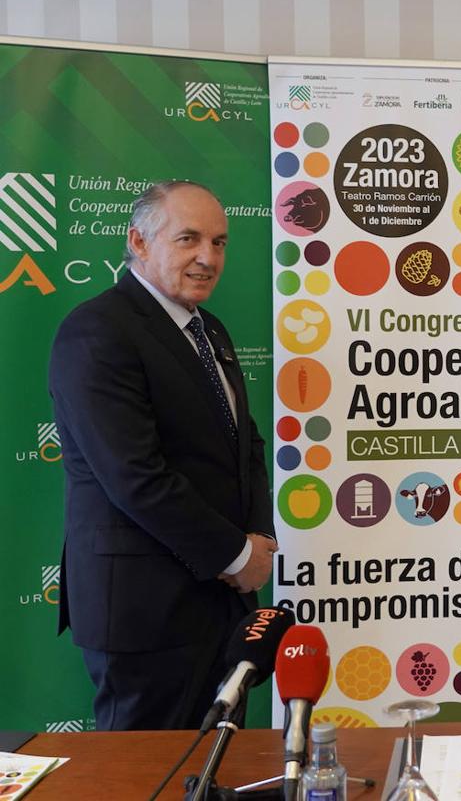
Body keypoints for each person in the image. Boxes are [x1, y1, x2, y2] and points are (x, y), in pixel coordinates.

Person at [49, 180, 277, 730]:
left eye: (220, 242)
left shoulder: (209, 329)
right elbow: (135, 477)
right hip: (145, 613)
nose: (208, 257)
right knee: (151, 780)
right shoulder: (98, 330)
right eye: (189, 239)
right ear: (139, 242)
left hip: (219, 604)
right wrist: (236, 555)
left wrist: (258, 542)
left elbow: (243, 446)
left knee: (214, 772)